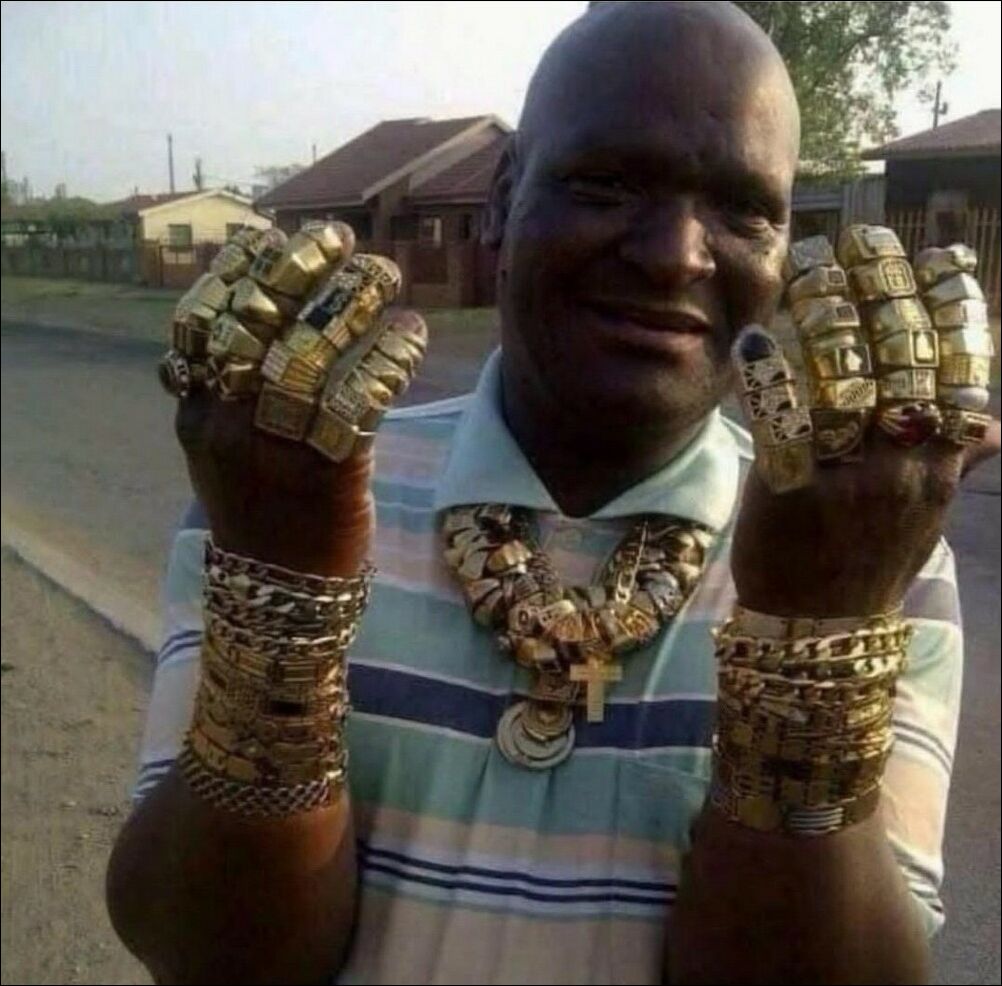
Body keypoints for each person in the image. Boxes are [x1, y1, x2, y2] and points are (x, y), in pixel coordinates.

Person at [106, 2, 998, 983]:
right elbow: (206, 951)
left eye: (744, 210)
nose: (676, 254)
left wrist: (814, 636)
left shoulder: (865, 554)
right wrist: (286, 598)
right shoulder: (290, 489)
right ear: (501, 199)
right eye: (608, 183)